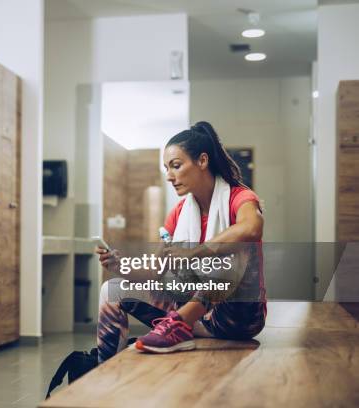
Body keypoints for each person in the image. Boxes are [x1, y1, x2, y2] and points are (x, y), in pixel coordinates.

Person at [96, 121, 266, 363]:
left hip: (237, 320)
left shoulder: (240, 198)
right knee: (110, 290)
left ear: (203, 161)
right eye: (166, 168)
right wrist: (119, 266)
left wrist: (195, 252)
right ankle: (103, 369)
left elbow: (252, 228)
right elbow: (156, 271)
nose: (169, 176)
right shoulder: (178, 213)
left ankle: (176, 325)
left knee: (235, 248)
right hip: (196, 318)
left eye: (176, 166)